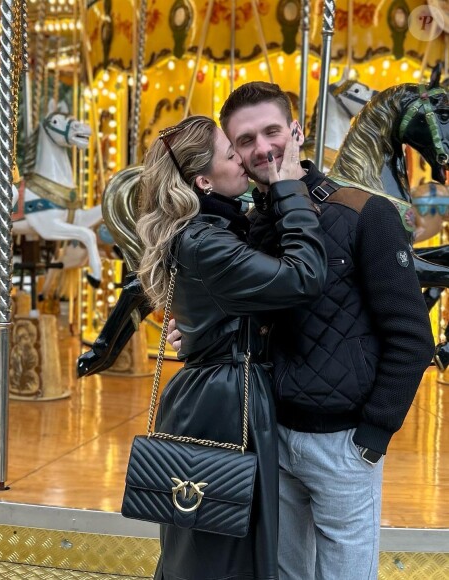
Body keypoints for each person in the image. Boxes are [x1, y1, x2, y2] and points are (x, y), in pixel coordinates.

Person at [167, 82, 435, 580]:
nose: (262, 148)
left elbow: (411, 336)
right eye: (245, 141)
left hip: (343, 441)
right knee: (286, 572)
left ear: (297, 130)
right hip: (270, 435)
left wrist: (373, 434)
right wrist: (198, 331)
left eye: (272, 131)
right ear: (237, 157)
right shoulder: (251, 225)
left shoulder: (363, 212)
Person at [137, 114, 326, 580]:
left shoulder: (213, 229)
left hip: (221, 389)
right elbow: (303, 277)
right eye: (230, 154)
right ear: (203, 180)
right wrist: (290, 193)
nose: (243, 158)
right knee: (219, 550)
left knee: (217, 540)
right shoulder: (205, 241)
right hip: (223, 400)